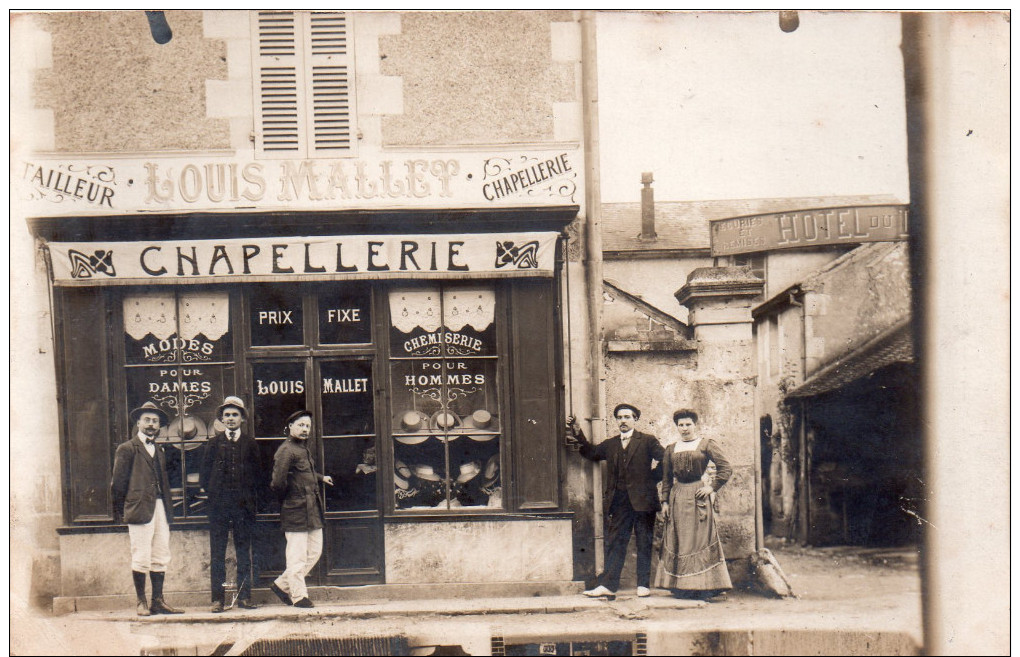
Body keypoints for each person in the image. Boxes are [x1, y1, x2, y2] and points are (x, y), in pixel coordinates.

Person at [567, 403, 664, 599]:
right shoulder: (611, 444)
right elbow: (592, 453)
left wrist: (651, 479)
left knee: (644, 541)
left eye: (627, 417)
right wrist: (578, 433)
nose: (623, 421)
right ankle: (609, 585)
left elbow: (666, 460)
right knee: (616, 542)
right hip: (619, 503)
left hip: (644, 501)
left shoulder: (647, 441)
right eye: (619, 417)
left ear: (635, 419)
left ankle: (643, 585)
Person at [110, 401, 184, 616]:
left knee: (161, 553)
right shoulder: (126, 449)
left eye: (155, 421)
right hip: (139, 508)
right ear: (138, 422)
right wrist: (123, 511)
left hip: (161, 507)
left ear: (159, 425)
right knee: (141, 555)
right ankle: (141, 602)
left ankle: (158, 601)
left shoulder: (159, 449)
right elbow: (118, 484)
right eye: (147, 420)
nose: (151, 425)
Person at [654, 409, 733, 601]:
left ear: (695, 425)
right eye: (680, 425)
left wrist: (711, 488)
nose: (684, 428)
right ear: (677, 427)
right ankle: (680, 586)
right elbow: (666, 479)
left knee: (699, 541)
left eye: (688, 424)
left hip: (698, 495)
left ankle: (705, 586)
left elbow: (726, 468)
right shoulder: (671, 449)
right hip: (678, 496)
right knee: (679, 539)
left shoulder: (706, 444)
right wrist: (664, 502)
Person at [200, 396, 261, 613]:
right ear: (222, 419)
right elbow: (204, 477)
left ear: (242, 418)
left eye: (235, 414)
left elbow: (258, 476)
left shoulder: (250, 444)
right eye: (227, 415)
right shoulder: (213, 444)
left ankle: (244, 597)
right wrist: (217, 495)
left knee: (244, 551)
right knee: (217, 552)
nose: (231, 418)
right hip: (219, 507)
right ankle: (218, 599)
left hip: (243, 507)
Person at [269, 410, 333, 608]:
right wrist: (291, 497)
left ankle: (281, 584)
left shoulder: (302, 449)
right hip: (295, 509)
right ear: (290, 427)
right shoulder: (286, 450)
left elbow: (304, 473)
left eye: (307, 426)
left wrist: (321, 477)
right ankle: (298, 596)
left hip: (312, 509)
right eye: (301, 425)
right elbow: (277, 483)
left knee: (314, 551)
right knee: (296, 556)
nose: (305, 429)